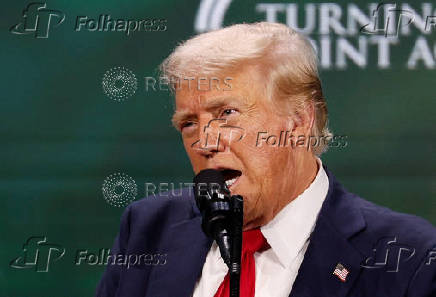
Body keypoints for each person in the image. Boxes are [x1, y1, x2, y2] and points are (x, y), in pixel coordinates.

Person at [96, 22, 435, 297]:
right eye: (189, 123)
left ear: (300, 122)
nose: (204, 142)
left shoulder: (410, 257)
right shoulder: (149, 229)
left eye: (226, 113)